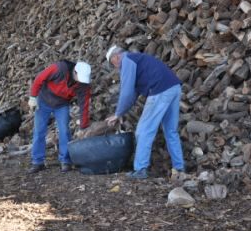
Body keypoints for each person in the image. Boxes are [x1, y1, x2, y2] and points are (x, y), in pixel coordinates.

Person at [105, 45, 185, 179]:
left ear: (116, 57)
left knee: (143, 130)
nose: (115, 67)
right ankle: (179, 167)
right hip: (174, 87)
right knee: (171, 131)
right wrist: (121, 113)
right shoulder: (137, 60)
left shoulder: (127, 60)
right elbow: (134, 93)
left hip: (160, 90)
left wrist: (118, 113)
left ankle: (140, 169)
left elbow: (126, 93)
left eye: (112, 63)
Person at [28, 60, 91, 173]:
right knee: (39, 131)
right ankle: (38, 162)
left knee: (64, 131)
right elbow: (39, 78)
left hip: (62, 105)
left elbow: (84, 105)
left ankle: (65, 161)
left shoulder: (83, 85)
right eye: (79, 78)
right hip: (43, 101)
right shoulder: (60, 68)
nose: (81, 81)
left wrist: (83, 126)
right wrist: (33, 97)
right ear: (75, 72)